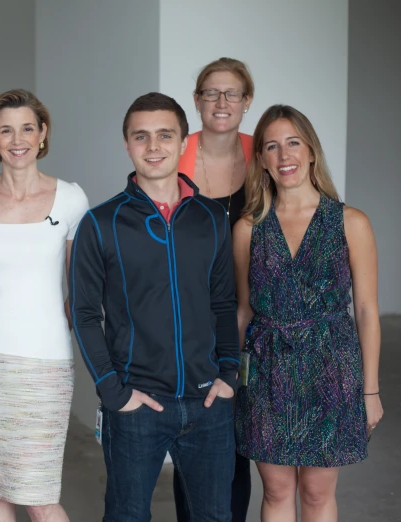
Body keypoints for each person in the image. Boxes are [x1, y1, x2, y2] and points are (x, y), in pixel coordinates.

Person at [70, 92, 239, 522]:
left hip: (208, 404)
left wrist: (229, 376)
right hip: (136, 405)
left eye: (165, 135)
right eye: (140, 136)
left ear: (184, 141)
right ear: (127, 144)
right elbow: (85, 313)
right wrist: (113, 391)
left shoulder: (212, 218)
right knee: (126, 516)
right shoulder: (100, 222)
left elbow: (224, 302)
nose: (154, 146)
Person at [234, 105, 383, 521]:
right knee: (277, 490)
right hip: (267, 372)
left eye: (293, 143)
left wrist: (369, 392)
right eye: (272, 146)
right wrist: (234, 380)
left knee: (317, 493)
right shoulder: (249, 227)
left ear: (311, 151)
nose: (285, 156)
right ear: (261, 159)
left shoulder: (350, 222)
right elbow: (243, 311)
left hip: (331, 370)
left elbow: (368, 311)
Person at [0, 89, 89, 522]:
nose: (17, 139)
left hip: (45, 365)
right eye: (6, 129)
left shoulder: (71, 199)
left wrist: (42, 325)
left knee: (39, 495)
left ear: (42, 133)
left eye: (27, 128)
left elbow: (79, 287)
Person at [174, 57, 254, 521]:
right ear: (197, 100)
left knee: (238, 441)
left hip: (254, 322)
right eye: (211, 93)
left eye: (232, 94)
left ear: (247, 102)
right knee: (196, 437)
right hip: (192, 323)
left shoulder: (262, 155)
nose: (221, 102)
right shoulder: (173, 151)